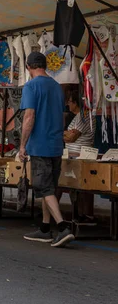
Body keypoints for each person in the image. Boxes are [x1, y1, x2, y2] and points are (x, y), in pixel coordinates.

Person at [19, 52, 75, 247]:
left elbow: (29, 117)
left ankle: (62, 227)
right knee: (50, 186)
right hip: (56, 143)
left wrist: (22, 145)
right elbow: (61, 116)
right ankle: (44, 228)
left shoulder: (31, 86)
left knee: (44, 187)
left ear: (28, 67)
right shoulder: (57, 87)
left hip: (40, 144)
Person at [61, 89, 96, 224]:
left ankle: (85, 214)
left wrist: (58, 133)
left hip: (80, 156)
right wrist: (65, 133)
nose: (68, 105)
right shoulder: (77, 117)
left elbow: (71, 137)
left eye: (69, 102)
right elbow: (69, 135)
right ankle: (79, 213)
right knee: (72, 185)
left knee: (81, 186)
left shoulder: (84, 116)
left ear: (76, 102)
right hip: (73, 155)